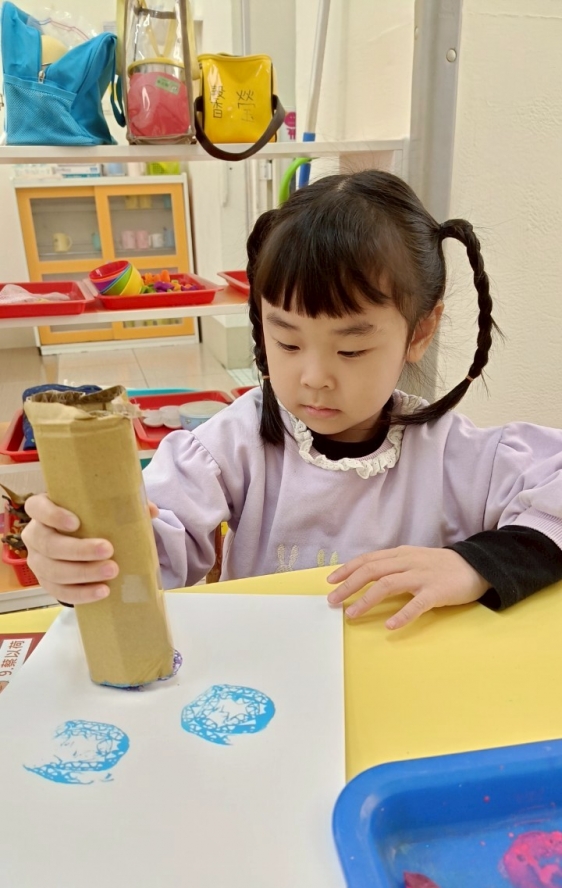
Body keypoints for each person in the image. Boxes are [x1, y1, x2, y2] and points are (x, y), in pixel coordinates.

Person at [22, 170, 562, 629]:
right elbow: (155, 547)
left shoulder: (451, 453)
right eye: (286, 342)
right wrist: (85, 558)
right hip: (266, 681)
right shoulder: (235, 442)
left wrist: (474, 565)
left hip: (401, 677)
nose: (314, 378)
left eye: (351, 350)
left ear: (420, 331)